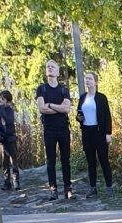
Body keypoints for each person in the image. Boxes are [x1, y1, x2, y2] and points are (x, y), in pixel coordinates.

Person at [36, 59, 71, 200]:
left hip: (63, 129)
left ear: (57, 72)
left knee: (66, 160)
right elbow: (41, 108)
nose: (50, 68)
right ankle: (53, 189)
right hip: (49, 130)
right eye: (48, 67)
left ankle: (68, 189)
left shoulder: (63, 90)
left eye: (52, 67)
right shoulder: (42, 89)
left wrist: (50, 104)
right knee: (51, 161)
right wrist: (59, 108)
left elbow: (67, 108)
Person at [76, 72, 113, 195]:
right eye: (86, 79)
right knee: (90, 162)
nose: (88, 81)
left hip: (99, 132)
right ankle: (93, 187)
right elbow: (79, 113)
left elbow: (107, 115)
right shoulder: (82, 98)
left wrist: (108, 133)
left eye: (90, 79)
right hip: (87, 131)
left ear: (95, 82)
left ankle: (109, 186)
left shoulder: (101, 98)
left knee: (103, 160)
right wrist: (78, 118)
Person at [0, 90, 19, 190]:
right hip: (2, 140)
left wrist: (2, 111)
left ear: (7, 101)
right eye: (0, 98)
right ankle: (7, 182)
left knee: (13, 159)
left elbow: (9, 121)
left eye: (3, 99)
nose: (0, 101)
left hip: (10, 138)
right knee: (4, 162)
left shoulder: (9, 111)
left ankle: (16, 181)